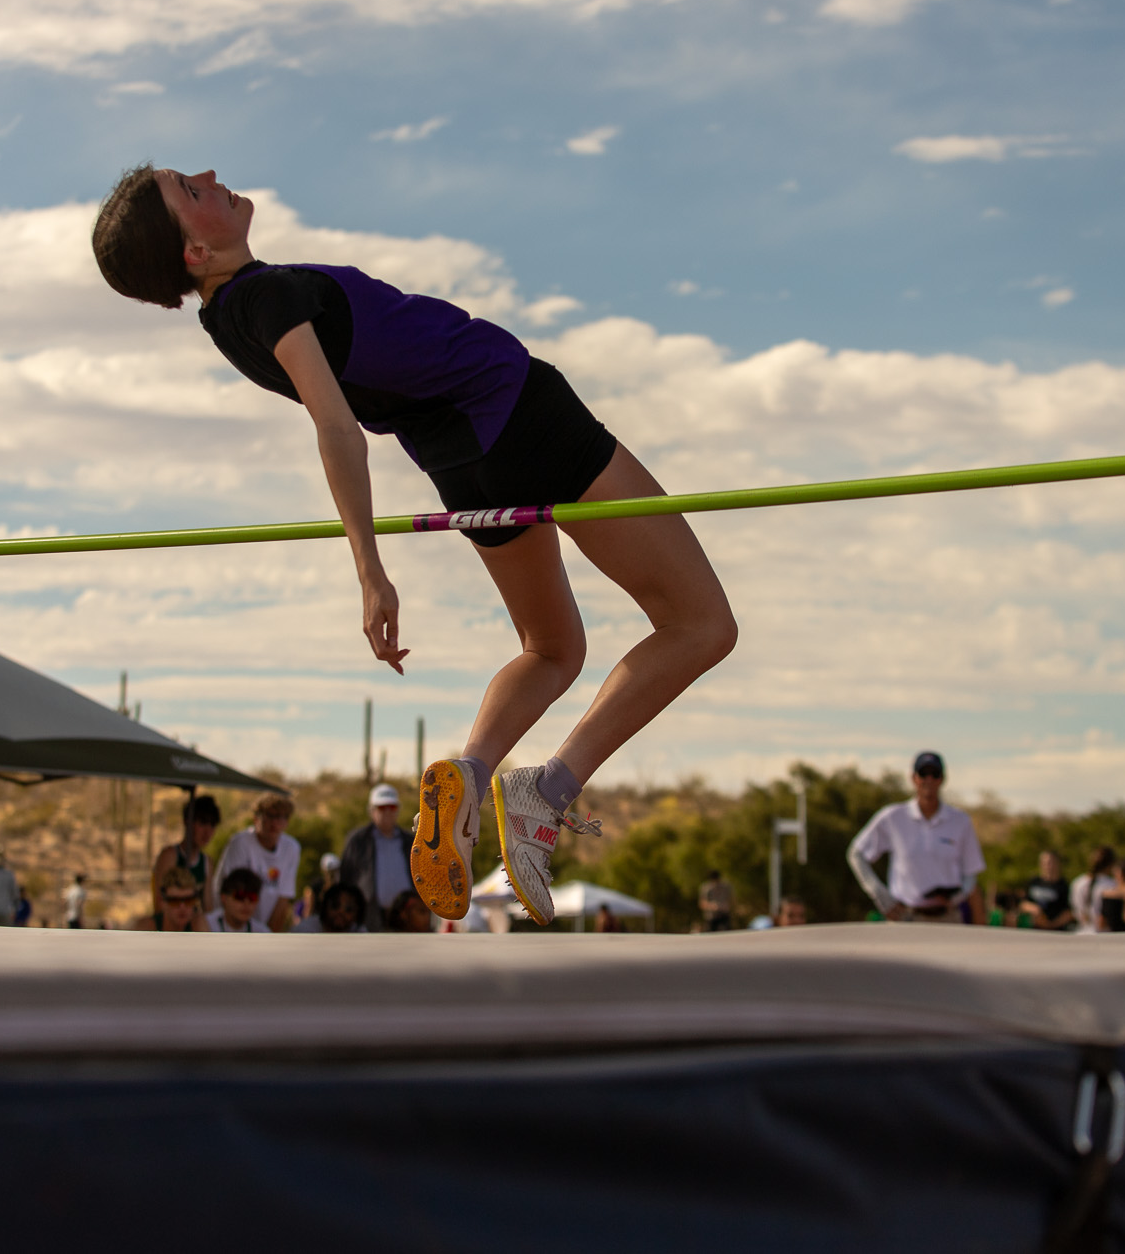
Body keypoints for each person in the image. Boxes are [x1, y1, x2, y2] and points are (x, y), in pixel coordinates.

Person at [93, 167, 736, 930]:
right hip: (517, 407)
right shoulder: (267, 298)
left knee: (551, 649)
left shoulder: (228, 318)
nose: (209, 178)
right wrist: (370, 571)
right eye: (190, 190)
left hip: (462, 462)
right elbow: (336, 427)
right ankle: (548, 790)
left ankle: (472, 771)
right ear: (195, 252)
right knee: (702, 623)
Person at [847, 752, 987, 924]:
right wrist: (879, 893)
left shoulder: (960, 821)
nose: (929, 779)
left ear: (942, 779)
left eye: (935, 774)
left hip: (949, 919)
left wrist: (960, 894)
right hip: (905, 918)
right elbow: (856, 853)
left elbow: (971, 873)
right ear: (914, 778)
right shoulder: (892, 817)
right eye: (923, 774)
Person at [215, 794, 302, 932]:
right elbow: (233, 895)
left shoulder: (292, 848)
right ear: (256, 818)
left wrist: (268, 937)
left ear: (287, 822)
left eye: (281, 817)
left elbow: (283, 899)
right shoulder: (241, 842)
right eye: (270, 816)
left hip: (262, 929)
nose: (275, 823)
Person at [339, 783, 415, 932]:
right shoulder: (357, 841)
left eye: (391, 807)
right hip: (368, 919)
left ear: (398, 810)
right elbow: (345, 879)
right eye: (381, 807)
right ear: (371, 810)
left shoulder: (411, 841)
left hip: (406, 918)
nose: (387, 812)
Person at [152, 792, 221, 920]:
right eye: (202, 823)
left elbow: (208, 907)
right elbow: (159, 905)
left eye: (212, 825)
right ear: (187, 821)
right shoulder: (170, 856)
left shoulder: (206, 862)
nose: (207, 832)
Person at [1019, 851, 1074, 931]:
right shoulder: (1034, 882)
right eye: (1044, 863)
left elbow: (1069, 912)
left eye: (1050, 863)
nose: (1048, 866)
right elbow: (1023, 903)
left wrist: (1051, 925)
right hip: (1033, 929)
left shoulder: (1064, 886)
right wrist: (1035, 910)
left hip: (1056, 931)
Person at [206, 867, 271, 933]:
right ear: (224, 898)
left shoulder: (262, 932)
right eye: (240, 897)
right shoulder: (206, 925)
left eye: (252, 898)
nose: (246, 903)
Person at [1070, 846, 1118, 934]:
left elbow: (1076, 911)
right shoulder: (1112, 885)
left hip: (1082, 933)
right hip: (1104, 935)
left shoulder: (1078, 882)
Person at [292, 882, 368, 934]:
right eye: (335, 905)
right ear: (325, 906)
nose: (340, 912)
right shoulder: (305, 931)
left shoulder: (359, 932)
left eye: (349, 909)